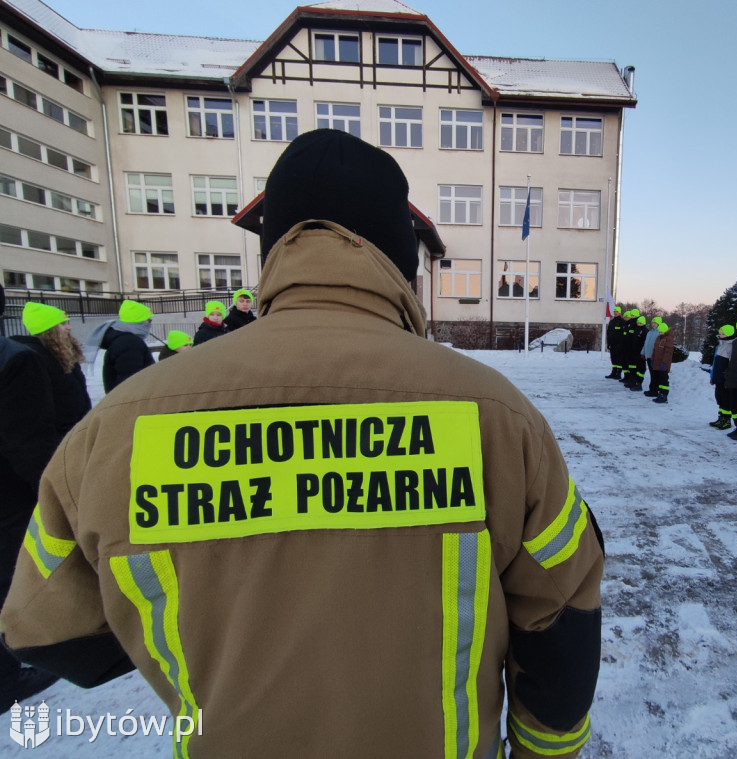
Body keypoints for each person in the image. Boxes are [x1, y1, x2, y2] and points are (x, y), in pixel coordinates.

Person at [1, 129, 604, 758]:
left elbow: (43, 630)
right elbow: (561, 619)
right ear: (402, 258)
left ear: (271, 252)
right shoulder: (497, 418)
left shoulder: (117, 429)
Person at [0, 286, 61, 711]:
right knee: (10, 580)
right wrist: (57, 496)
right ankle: (6, 676)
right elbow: (29, 443)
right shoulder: (15, 361)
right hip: (8, 499)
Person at [14, 302, 92, 436]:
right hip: (59, 434)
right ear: (48, 329)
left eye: (68, 323)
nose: (69, 328)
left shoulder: (63, 351)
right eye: (62, 324)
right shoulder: (36, 358)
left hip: (76, 427)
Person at [97, 299, 155, 393]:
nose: (150, 324)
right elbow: (130, 382)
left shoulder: (125, 340)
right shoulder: (130, 343)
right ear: (138, 320)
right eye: (148, 320)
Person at [708, 325, 735, 429]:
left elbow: (732, 363)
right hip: (718, 377)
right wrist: (713, 376)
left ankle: (727, 420)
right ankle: (721, 418)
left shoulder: (731, 346)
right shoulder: (720, 345)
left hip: (725, 378)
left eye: (723, 333)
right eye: (720, 333)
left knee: (726, 399)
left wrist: (728, 376)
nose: (721, 335)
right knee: (719, 398)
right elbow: (715, 362)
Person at [649, 320, 674, 404]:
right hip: (657, 362)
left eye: (661, 332)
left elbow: (668, 352)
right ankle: (660, 393)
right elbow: (654, 350)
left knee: (664, 380)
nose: (660, 333)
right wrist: (652, 359)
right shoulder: (659, 338)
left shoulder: (668, 339)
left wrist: (664, 363)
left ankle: (664, 395)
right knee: (659, 379)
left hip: (663, 364)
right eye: (659, 332)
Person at [626, 314, 649, 392]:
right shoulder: (636, 329)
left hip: (641, 354)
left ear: (644, 323)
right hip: (634, 352)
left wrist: (643, 353)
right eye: (638, 323)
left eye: (640, 323)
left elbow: (645, 343)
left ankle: (639, 384)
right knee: (634, 368)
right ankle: (634, 382)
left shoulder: (645, 331)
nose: (639, 324)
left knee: (641, 369)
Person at [641, 316, 661, 396]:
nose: (653, 324)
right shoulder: (649, 332)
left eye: (655, 323)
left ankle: (655, 390)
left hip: (655, 357)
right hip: (648, 356)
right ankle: (651, 389)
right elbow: (646, 344)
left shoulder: (659, 333)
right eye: (653, 323)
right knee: (651, 374)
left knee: (655, 374)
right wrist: (643, 353)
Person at [605, 305, 625, 379]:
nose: (615, 313)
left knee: (619, 359)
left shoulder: (622, 321)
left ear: (619, 312)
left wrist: (620, 344)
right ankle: (613, 372)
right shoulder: (612, 321)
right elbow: (609, 333)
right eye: (614, 311)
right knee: (613, 358)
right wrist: (608, 343)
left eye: (617, 311)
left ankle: (618, 373)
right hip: (612, 344)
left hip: (619, 344)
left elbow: (623, 334)